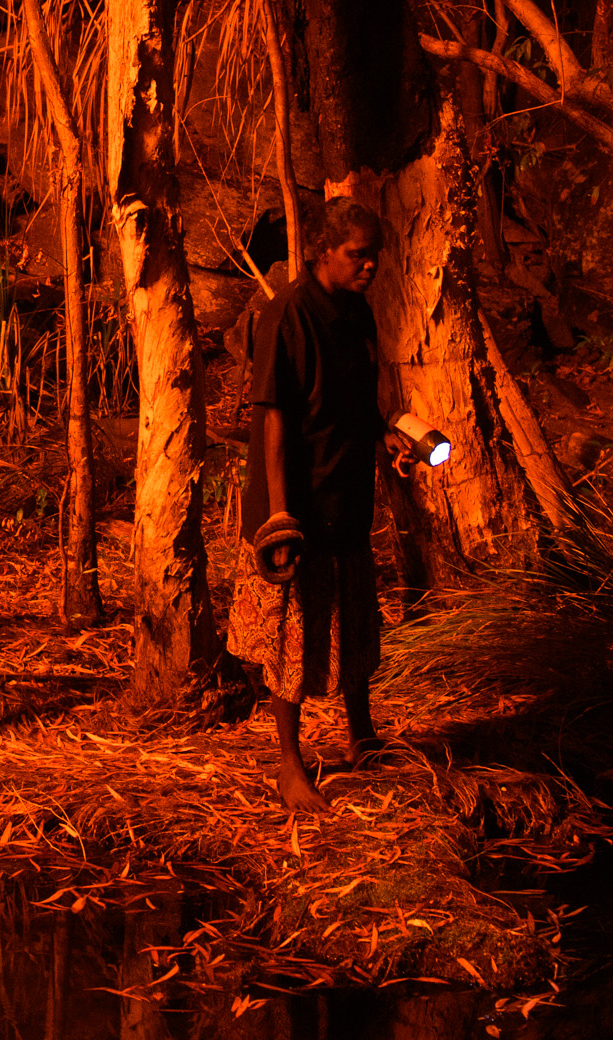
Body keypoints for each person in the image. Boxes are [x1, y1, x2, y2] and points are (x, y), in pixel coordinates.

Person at [228, 199, 408, 811]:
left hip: (348, 492)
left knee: (354, 619)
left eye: (375, 255)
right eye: (359, 255)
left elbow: (361, 401)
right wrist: (279, 518)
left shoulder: (358, 313)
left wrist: (389, 438)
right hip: (297, 502)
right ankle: (289, 762)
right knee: (292, 636)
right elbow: (273, 418)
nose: (370, 267)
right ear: (323, 251)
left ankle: (362, 733)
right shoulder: (286, 315)